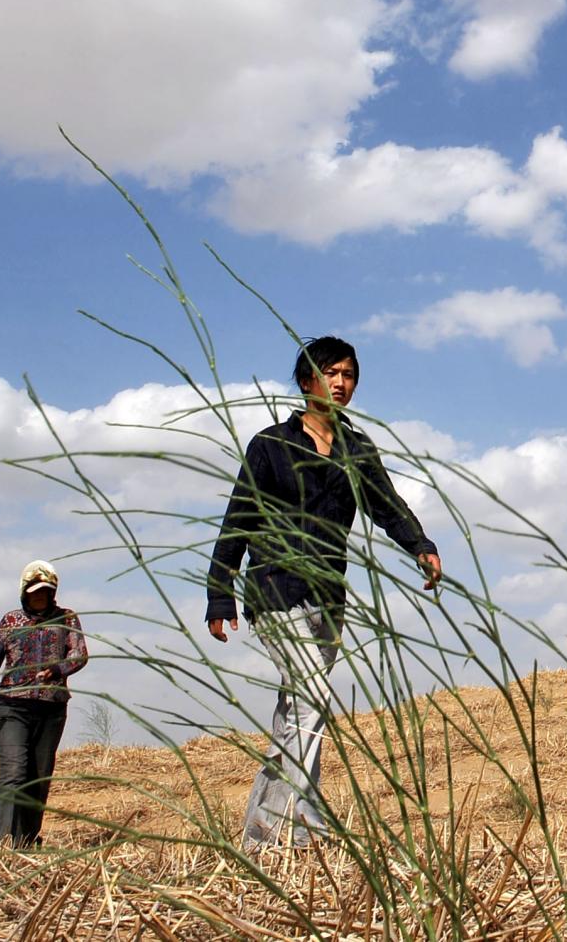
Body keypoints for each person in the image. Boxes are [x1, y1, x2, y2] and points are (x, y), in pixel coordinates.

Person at [205, 335, 444, 849]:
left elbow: (387, 506)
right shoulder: (270, 445)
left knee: (297, 712)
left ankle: (280, 835)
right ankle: (286, 834)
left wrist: (420, 545)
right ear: (306, 380)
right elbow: (239, 517)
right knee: (312, 701)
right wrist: (219, 594)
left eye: (349, 374)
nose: (340, 383)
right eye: (330, 372)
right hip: (275, 590)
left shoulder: (358, 449)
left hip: (328, 596)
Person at [0, 559, 89, 847]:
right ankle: (3, 842)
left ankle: (28, 841)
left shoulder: (67, 618)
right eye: (34, 591)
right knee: (14, 772)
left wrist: (57, 670)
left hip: (51, 708)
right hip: (11, 707)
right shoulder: (10, 621)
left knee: (38, 777)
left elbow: (79, 655)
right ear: (25, 592)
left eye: (45, 591)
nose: (40, 596)